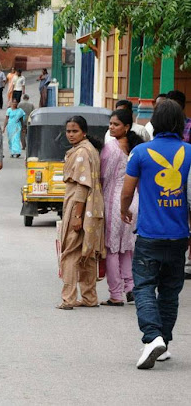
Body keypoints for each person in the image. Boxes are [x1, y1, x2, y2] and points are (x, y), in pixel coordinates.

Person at [121, 99, 191, 369]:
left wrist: (123, 210)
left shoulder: (141, 153)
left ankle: (152, 337)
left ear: (156, 123)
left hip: (150, 235)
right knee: (170, 292)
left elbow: (127, 191)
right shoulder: (189, 151)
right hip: (179, 236)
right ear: (180, 123)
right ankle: (163, 344)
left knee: (144, 286)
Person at [56, 115, 105, 310]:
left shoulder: (82, 153)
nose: (70, 134)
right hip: (91, 208)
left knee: (70, 253)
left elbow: (82, 187)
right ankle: (89, 297)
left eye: (75, 131)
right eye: (68, 131)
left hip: (80, 208)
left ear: (84, 132)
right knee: (87, 253)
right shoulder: (87, 149)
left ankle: (68, 298)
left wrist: (76, 216)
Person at [100, 110, 144, 306]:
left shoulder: (111, 148)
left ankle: (116, 294)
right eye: (110, 124)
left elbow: (104, 178)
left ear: (126, 127)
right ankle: (131, 287)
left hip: (115, 201)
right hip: (135, 201)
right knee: (127, 249)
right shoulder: (137, 148)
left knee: (111, 249)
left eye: (115, 124)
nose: (111, 127)